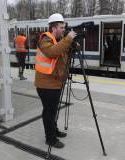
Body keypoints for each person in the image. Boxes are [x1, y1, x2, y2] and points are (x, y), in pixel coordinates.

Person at [34, 13, 76, 148]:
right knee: (49, 111)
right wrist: (68, 39)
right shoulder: (45, 40)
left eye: (64, 28)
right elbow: (52, 52)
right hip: (46, 84)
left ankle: (54, 131)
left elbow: (62, 57)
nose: (64, 30)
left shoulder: (58, 40)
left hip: (55, 83)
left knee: (53, 110)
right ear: (54, 28)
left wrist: (71, 46)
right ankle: (50, 138)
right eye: (61, 27)